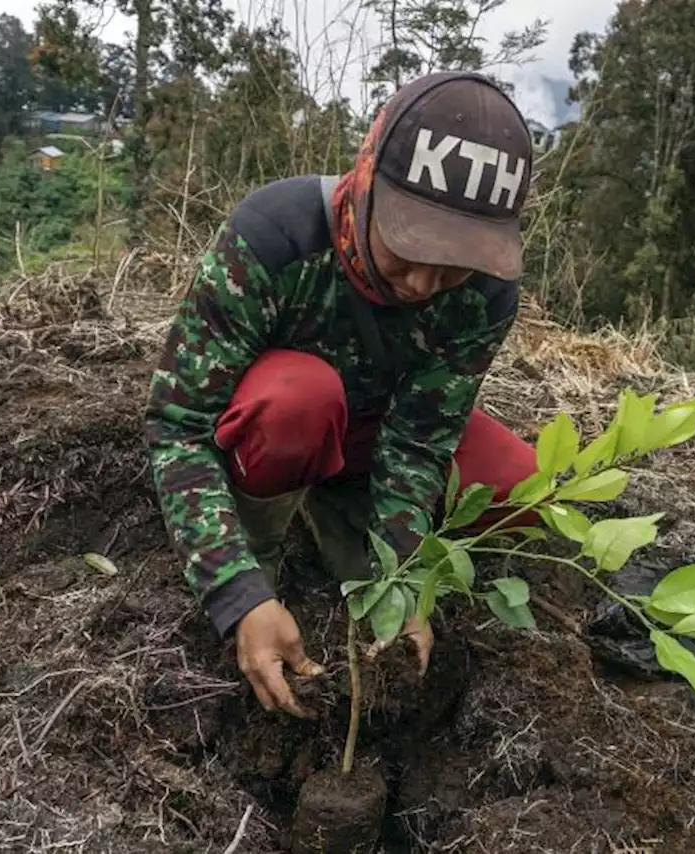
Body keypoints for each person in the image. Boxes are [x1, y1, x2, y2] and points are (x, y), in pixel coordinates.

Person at [144, 70, 539, 718]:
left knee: (521, 483)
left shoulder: (485, 296)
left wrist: (402, 576)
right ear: (365, 184)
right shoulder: (274, 239)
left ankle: (345, 533)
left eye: (453, 263)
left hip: (371, 438)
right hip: (287, 429)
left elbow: (420, 438)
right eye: (408, 248)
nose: (421, 282)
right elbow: (179, 424)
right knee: (298, 399)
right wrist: (237, 593)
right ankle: (267, 540)